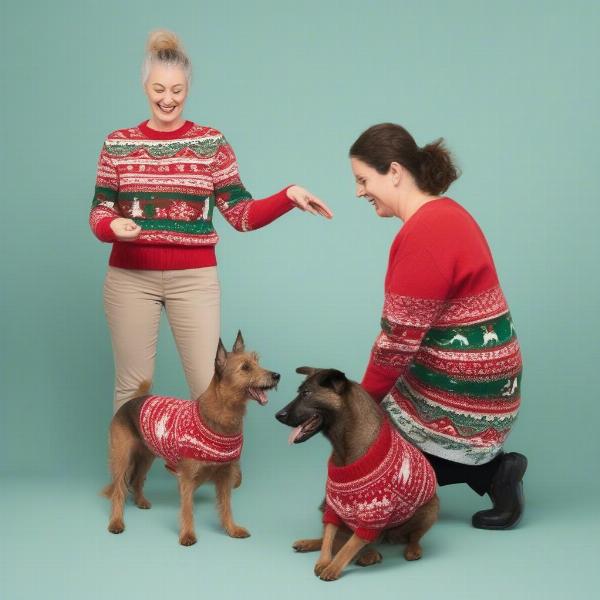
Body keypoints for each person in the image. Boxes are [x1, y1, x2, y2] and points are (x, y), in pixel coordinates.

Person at [90, 30, 332, 412]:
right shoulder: (117, 144)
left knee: (210, 391)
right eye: (158, 89)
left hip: (194, 280)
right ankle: (127, 475)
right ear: (144, 86)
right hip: (130, 279)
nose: (167, 99)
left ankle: (198, 467)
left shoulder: (211, 143)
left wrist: (288, 196)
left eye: (177, 90)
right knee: (132, 388)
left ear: (188, 89)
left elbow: (241, 214)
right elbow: (100, 209)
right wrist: (111, 227)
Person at [350, 123, 526, 529]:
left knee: (372, 451)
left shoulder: (425, 231)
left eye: (363, 180)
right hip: (491, 382)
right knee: (385, 440)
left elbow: (396, 344)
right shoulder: (449, 213)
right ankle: (496, 472)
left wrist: (360, 403)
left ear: (394, 172)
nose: (359, 191)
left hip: (465, 389)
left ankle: (488, 474)